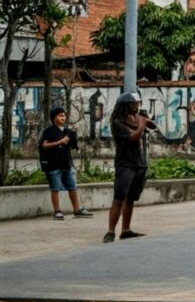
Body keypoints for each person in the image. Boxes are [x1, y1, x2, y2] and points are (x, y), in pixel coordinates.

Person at [104, 91, 155, 243]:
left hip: (138, 162)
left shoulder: (134, 119)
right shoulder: (117, 122)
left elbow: (149, 127)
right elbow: (134, 137)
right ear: (126, 105)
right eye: (134, 104)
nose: (137, 106)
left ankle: (125, 230)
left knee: (131, 198)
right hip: (125, 163)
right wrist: (141, 125)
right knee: (119, 198)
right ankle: (110, 231)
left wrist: (144, 122)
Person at [38, 107, 92, 220]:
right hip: (53, 164)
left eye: (63, 115)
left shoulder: (68, 132)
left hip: (67, 163)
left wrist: (75, 140)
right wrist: (60, 142)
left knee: (72, 187)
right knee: (55, 188)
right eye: (60, 115)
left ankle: (77, 210)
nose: (63, 117)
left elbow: (74, 146)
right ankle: (57, 211)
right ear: (54, 118)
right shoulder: (48, 131)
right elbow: (44, 145)